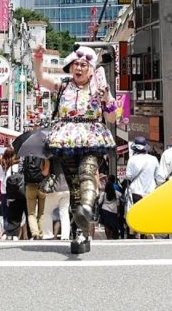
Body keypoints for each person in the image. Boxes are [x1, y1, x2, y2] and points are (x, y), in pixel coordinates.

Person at [33, 43, 118, 253]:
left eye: (83, 65)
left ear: (91, 68)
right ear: (71, 67)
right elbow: (42, 79)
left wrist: (107, 97)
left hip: (92, 138)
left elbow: (112, 117)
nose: (79, 68)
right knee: (73, 187)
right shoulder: (63, 85)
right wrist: (38, 58)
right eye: (76, 64)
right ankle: (81, 234)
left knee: (87, 173)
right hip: (66, 140)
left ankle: (87, 209)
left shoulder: (99, 88)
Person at [124, 136, 158, 238]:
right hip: (150, 192)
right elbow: (157, 176)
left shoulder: (132, 160)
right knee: (147, 214)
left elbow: (128, 176)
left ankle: (134, 233)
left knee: (135, 214)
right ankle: (145, 232)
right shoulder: (154, 159)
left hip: (136, 192)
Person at [1, 148, 27, 240]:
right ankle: (17, 235)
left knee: (13, 215)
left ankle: (7, 233)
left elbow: (5, 182)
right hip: (23, 192)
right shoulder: (23, 167)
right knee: (23, 215)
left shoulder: (11, 168)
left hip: (12, 194)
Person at [99, 174, 123, 239]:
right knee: (112, 225)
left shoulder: (103, 194)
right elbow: (119, 202)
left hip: (105, 210)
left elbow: (99, 202)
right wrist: (118, 212)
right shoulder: (116, 193)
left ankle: (108, 237)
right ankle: (112, 237)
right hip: (113, 211)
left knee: (106, 225)